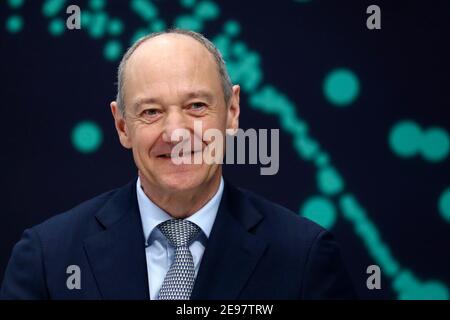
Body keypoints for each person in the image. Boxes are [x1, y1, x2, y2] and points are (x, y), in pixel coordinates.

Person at [0, 29, 356, 300]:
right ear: (122, 125)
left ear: (232, 112)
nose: (176, 133)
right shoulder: (46, 259)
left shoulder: (304, 258)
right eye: (151, 111)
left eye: (197, 106)